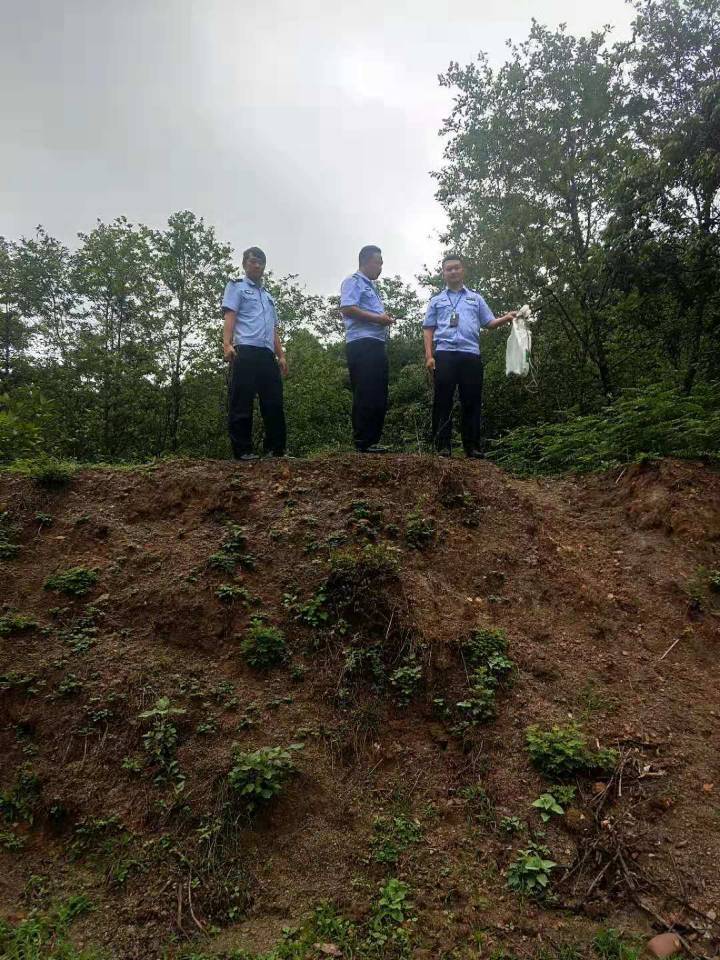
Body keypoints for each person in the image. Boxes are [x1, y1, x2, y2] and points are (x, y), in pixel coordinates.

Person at [423, 254, 516, 458]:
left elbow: (489, 323)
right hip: (444, 353)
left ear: (463, 270)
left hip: (470, 354)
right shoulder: (436, 300)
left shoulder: (476, 298)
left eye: (456, 267)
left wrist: (507, 318)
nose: (453, 271)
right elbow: (428, 329)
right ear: (443, 273)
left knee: (472, 400)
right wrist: (429, 356)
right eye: (449, 269)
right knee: (442, 400)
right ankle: (442, 446)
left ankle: (472, 447)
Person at [222, 246, 288, 461]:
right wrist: (226, 344)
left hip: (267, 353)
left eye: (261, 262)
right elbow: (230, 316)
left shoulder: (268, 297)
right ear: (244, 264)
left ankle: (276, 449)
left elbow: (273, 329)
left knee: (274, 401)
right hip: (246, 349)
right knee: (242, 400)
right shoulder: (237, 287)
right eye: (253, 261)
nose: (257, 265)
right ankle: (243, 450)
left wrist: (281, 355)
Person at [339, 245, 394, 453]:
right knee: (365, 390)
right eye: (378, 263)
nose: (380, 267)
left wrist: (383, 319)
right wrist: (379, 319)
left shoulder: (372, 287)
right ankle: (363, 441)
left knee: (378, 391)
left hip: (376, 342)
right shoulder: (353, 281)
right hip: (361, 343)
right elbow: (347, 308)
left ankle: (373, 440)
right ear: (366, 262)